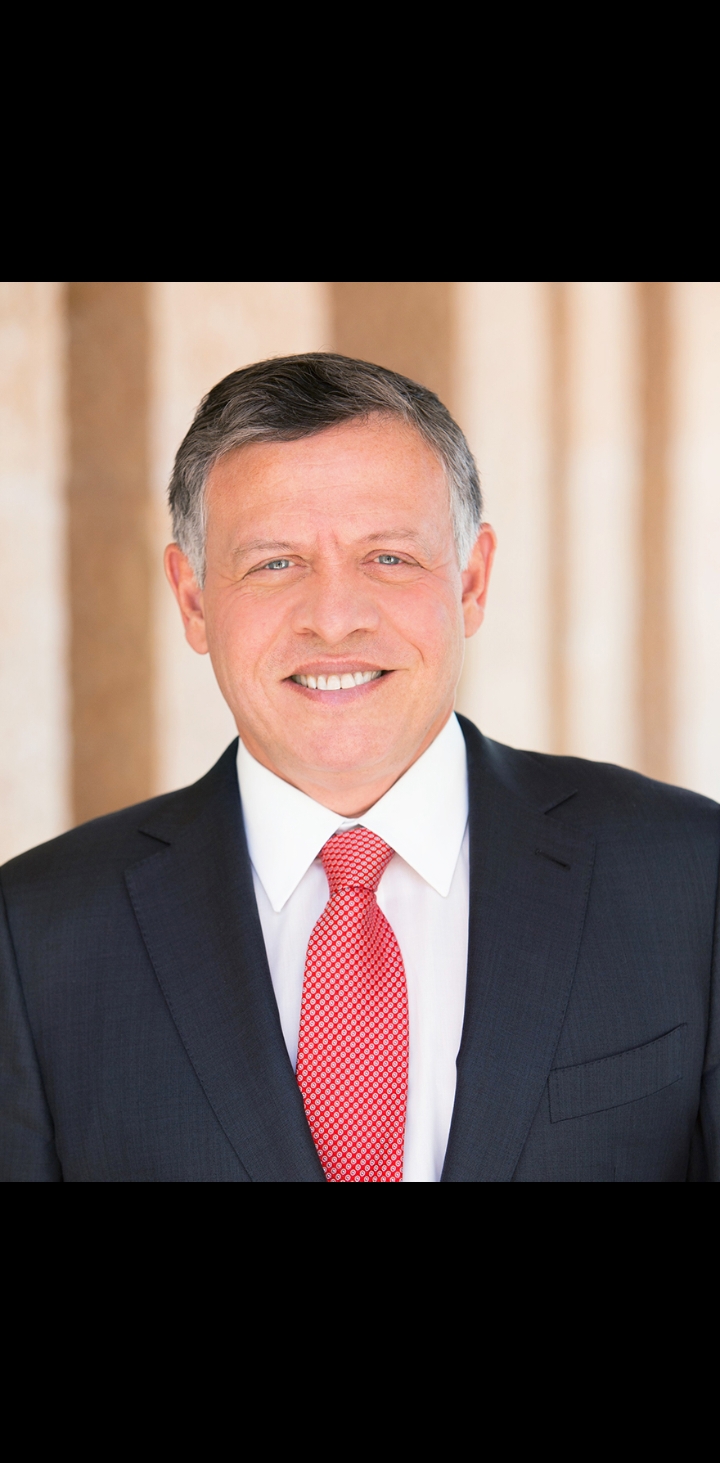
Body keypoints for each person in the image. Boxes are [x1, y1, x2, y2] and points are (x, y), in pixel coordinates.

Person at [1, 353, 718, 1182]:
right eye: (275, 562)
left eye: (389, 558)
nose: (334, 619)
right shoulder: (35, 937)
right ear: (193, 598)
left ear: (472, 580)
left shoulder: (691, 878)